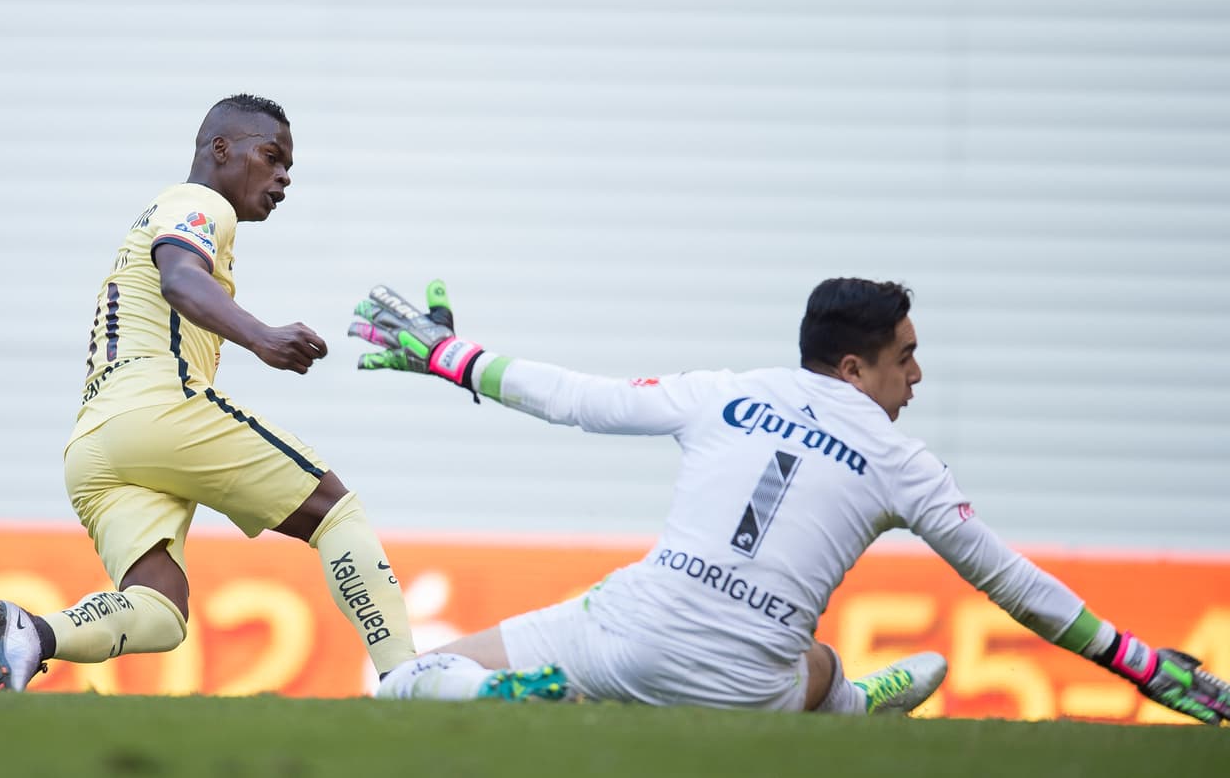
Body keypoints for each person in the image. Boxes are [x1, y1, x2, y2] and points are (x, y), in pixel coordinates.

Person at [346, 278, 1230, 723]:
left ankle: (505, 696)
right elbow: (1009, 580)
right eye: (905, 356)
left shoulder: (723, 391)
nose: (917, 375)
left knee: (405, 682)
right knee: (807, 666)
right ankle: (851, 701)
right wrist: (1141, 665)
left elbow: (581, 398)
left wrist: (447, 356)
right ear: (854, 367)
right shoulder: (902, 459)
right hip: (739, 690)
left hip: (618, 638)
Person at [0, 94, 418, 693]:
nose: (284, 176)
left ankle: (34, 635)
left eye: (290, 166)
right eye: (271, 156)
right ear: (220, 149)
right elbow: (181, 278)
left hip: (91, 445)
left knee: (160, 610)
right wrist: (260, 336)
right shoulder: (199, 202)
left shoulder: (156, 218)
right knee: (334, 511)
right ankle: (410, 678)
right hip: (156, 407)